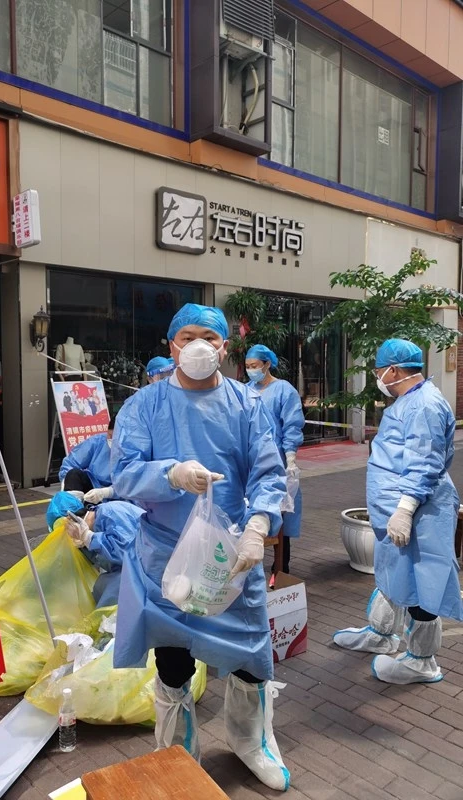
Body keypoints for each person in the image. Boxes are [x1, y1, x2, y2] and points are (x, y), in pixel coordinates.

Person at [111, 303, 290, 791]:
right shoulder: (144, 407)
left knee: (250, 656)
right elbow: (124, 474)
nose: (198, 346)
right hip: (168, 556)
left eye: (209, 338)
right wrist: (169, 473)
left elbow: (269, 471)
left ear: (225, 348)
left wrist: (258, 524)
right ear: (170, 345)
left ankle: (251, 741)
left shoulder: (246, 404)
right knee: (173, 661)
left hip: (232, 553)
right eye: (187, 336)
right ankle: (177, 753)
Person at [334, 338, 463, 684]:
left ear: (392, 369)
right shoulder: (409, 401)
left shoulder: (423, 406)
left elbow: (425, 462)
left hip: (419, 514)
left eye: (378, 370)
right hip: (396, 511)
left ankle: (422, 660)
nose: (378, 376)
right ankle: (381, 633)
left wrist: (405, 509)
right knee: (394, 573)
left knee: (422, 583)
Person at [245, 344, 305, 577]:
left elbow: (291, 424)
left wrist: (290, 458)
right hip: (251, 460)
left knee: (282, 510)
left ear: (267, 364)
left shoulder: (283, 390)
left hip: (278, 460)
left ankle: (281, 566)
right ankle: (251, 560)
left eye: (255, 366)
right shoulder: (245, 390)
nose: (251, 370)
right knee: (252, 510)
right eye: (248, 367)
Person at [46, 491, 143, 607]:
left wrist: (88, 537)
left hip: (149, 571)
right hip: (132, 572)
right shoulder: (92, 531)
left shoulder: (110, 514)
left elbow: (127, 554)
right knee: (101, 589)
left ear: (71, 519)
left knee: (113, 591)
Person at [59, 419, 115, 504]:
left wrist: (107, 492)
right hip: (92, 490)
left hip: (119, 497)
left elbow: (132, 486)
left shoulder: (134, 452)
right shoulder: (97, 442)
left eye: (116, 437)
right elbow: (71, 462)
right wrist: (66, 481)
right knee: (73, 474)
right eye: (110, 435)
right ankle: (71, 509)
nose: (111, 439)